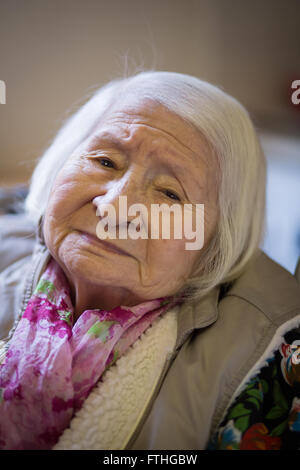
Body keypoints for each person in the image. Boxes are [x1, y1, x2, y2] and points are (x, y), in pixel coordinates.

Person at [0, 71, 299, 450]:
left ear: (214, 242)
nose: (114, 207)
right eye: (106, 161)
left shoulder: (264, 362)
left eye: (170, 194)